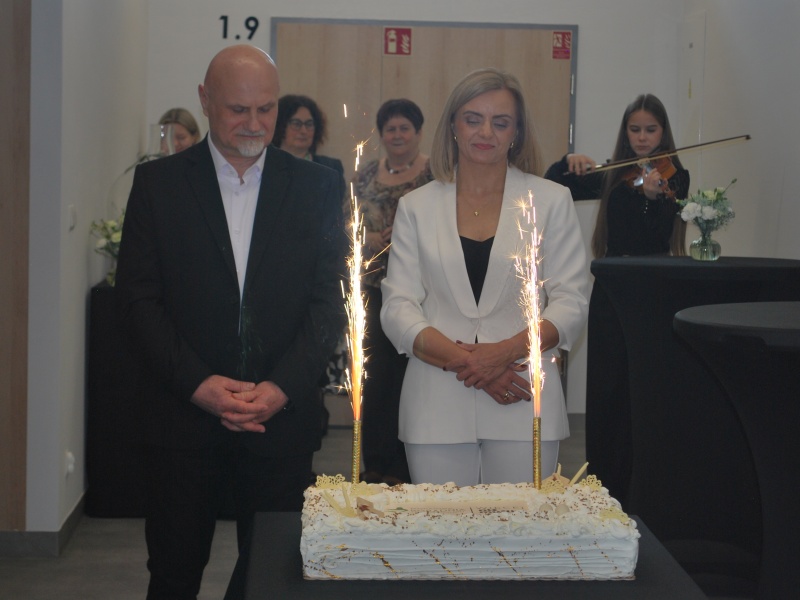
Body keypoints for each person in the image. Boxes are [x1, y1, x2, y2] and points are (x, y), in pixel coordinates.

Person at [115, 45, 346, 599]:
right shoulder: (159, 185)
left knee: (272, 576)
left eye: (266, 109)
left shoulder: (314, 187)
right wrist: (199, 385)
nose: (254, 124)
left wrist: (281, 387)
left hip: (280, 423)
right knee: (173, 573)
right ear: (205, 99)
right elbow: (138, 300)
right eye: (238, 109)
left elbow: (331, 301)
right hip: (181, 419)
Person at [379, 69, 589, 487]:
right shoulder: (416, 206)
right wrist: (472, 362)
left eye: (501, 122)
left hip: (523, 394)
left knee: (522, 527)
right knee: (440, 527)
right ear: (453, 126)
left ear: (517, 132)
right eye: (473, 119)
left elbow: (571, 302)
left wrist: (506, 352)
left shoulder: (551, 200)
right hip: (436, 402)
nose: (486, 132)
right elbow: (398, 307)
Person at [543, 94, 690, 501]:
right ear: (625, 132)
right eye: (635, 129)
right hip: (611, 285)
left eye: (651, 130)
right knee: (608, 385)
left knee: (644, 388)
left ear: (663, 132)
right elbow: (554, 184)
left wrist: (652, 199)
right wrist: (568, 160)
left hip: (653, 287)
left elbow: (659, 233)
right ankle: (606, 479)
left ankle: (647, 485)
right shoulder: (613, 173)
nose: (642, 138)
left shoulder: (675, 176)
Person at [352, 98, 434, 485]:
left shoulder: (436, 173)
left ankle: (406, 465)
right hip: (372, 289)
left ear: (418, 133)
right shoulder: (366, 173)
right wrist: (367, 237)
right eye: (390, 129)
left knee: (410, 378)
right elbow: (346, 220)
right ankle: (375, 462)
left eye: (405, 128)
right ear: (382, 134)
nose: (397, 135)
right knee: (375, 378)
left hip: (420, 292)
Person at [272, 94, 347, 395]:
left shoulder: (330, 168)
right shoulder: (265, 166)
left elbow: (336, 222)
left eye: (309, 124)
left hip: (316, 270)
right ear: (280, 126)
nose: (303, 130)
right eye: (296, 123)